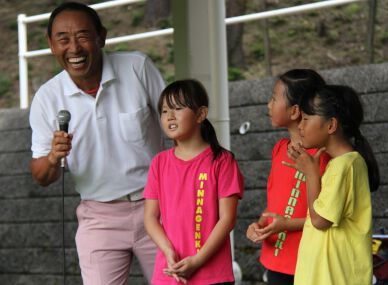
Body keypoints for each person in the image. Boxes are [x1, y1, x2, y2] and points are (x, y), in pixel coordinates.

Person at [29, 2, 165, 284]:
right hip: (98, 217)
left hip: (158, 207)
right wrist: (54, 158)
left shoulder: (137, 67)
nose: (74, 48)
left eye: (82, 36)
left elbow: (180, 130)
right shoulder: (47, 98)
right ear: (51, 45)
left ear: (101, 36)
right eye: (63, 39)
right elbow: (41, 175)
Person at [143, 79, 244, 284]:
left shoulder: (222, 161)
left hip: (212, 275)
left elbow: (227, 219)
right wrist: (168, 251)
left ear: (200, 114)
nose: (170, 116)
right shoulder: (159, 163)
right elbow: (150, 218)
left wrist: (197, 261)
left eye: (178, 108)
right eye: (164, 111)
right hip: (170, 273)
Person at [284, 85, 380, 285]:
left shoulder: (345, 166)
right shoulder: (341, 164)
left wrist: (311, 175)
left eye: (306, 119)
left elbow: (320, 221)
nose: (300, 126)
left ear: (331, 125)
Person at [246, 69, 330, 285]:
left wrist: (286, 225)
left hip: (307, 262)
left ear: (294, 111)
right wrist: (260, 223)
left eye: (274, 98)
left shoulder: (322, 155)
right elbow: (275, 204)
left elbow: (326, 217)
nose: (268, 105)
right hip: (275, 259)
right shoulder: (279, 149)